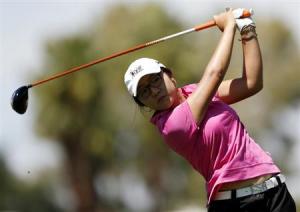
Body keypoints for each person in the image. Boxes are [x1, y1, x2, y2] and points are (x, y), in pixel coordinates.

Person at [123, 8, 296, 212]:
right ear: (143, 104)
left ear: (170, 75)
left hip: (275, 194)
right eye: (143, 91)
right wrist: (229, 26)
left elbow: (251, 83)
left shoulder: (194, 92)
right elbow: (215, 73)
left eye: (155, 80)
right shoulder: (172, 126)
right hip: (235, 205)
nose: (153, 90)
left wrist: (246, 28)